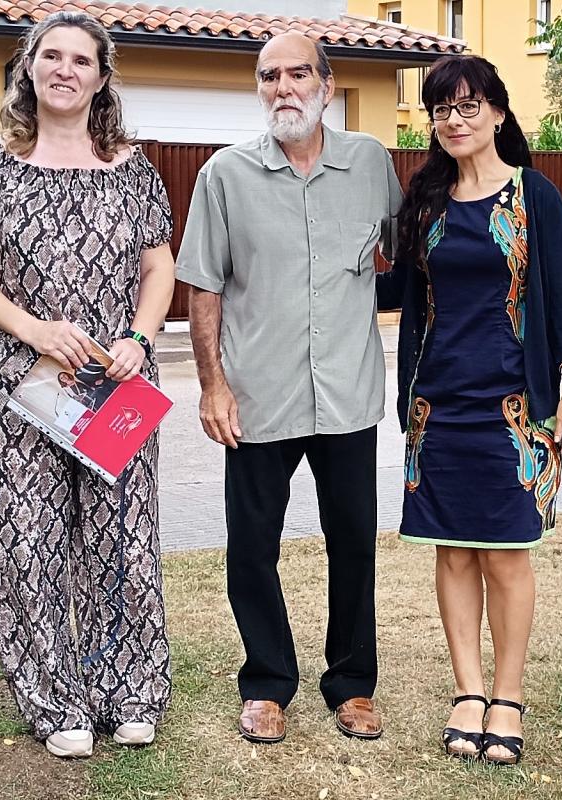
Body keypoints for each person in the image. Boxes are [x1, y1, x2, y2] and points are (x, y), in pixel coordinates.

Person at [0, 11, 177, 759]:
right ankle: (55, 702)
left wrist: (139, 336)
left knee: (123, 539)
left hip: (114, 386)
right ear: (29, 67)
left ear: (103, 77)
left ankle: (128, 691)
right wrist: (35, 330)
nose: (65, 69)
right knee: (27, 544)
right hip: (12, 385)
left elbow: (158, 266)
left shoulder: (132, 167)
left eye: (81, 59)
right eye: (51, 56)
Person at [175, 31, 402, 745]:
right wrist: (213, 386)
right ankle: (267, 684)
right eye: (269, 76)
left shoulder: (371, 163)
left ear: (326, 87)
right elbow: (202, 288)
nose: (283, 88)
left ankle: (352, 683)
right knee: (252, 548)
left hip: (347, 394)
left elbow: (395, 252)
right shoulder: (224, 176)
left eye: (298, 74)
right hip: (258, 396)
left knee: (354, 545)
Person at [385, 55, 562, 766]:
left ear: (499, 113)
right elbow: (399, 294)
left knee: (505, 554)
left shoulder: (536, 196)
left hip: (515, 407)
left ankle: (507, 697)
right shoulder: (426, 199)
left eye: (469, 106)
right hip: (436, 405)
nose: (455, 120)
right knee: (453, 550)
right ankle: (466, 692)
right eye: (443, 109)